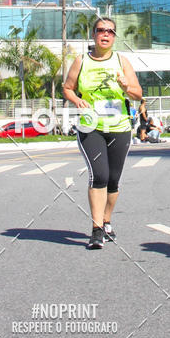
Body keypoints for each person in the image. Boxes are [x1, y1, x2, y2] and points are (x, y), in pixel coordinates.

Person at [63, 16, 142, 249]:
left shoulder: (121, 61)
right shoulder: (81, 61)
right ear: (94, 34)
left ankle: (107, 220)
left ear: (114, 37)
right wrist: (77, 100)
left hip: (119, 127)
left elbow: (138, 94)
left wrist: (127, 87)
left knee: (113, 180)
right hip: (91, 127)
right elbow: (67, 88)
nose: (105, 34)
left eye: (110, 31)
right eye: (100, 30)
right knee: (99, 175)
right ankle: (96, 230)